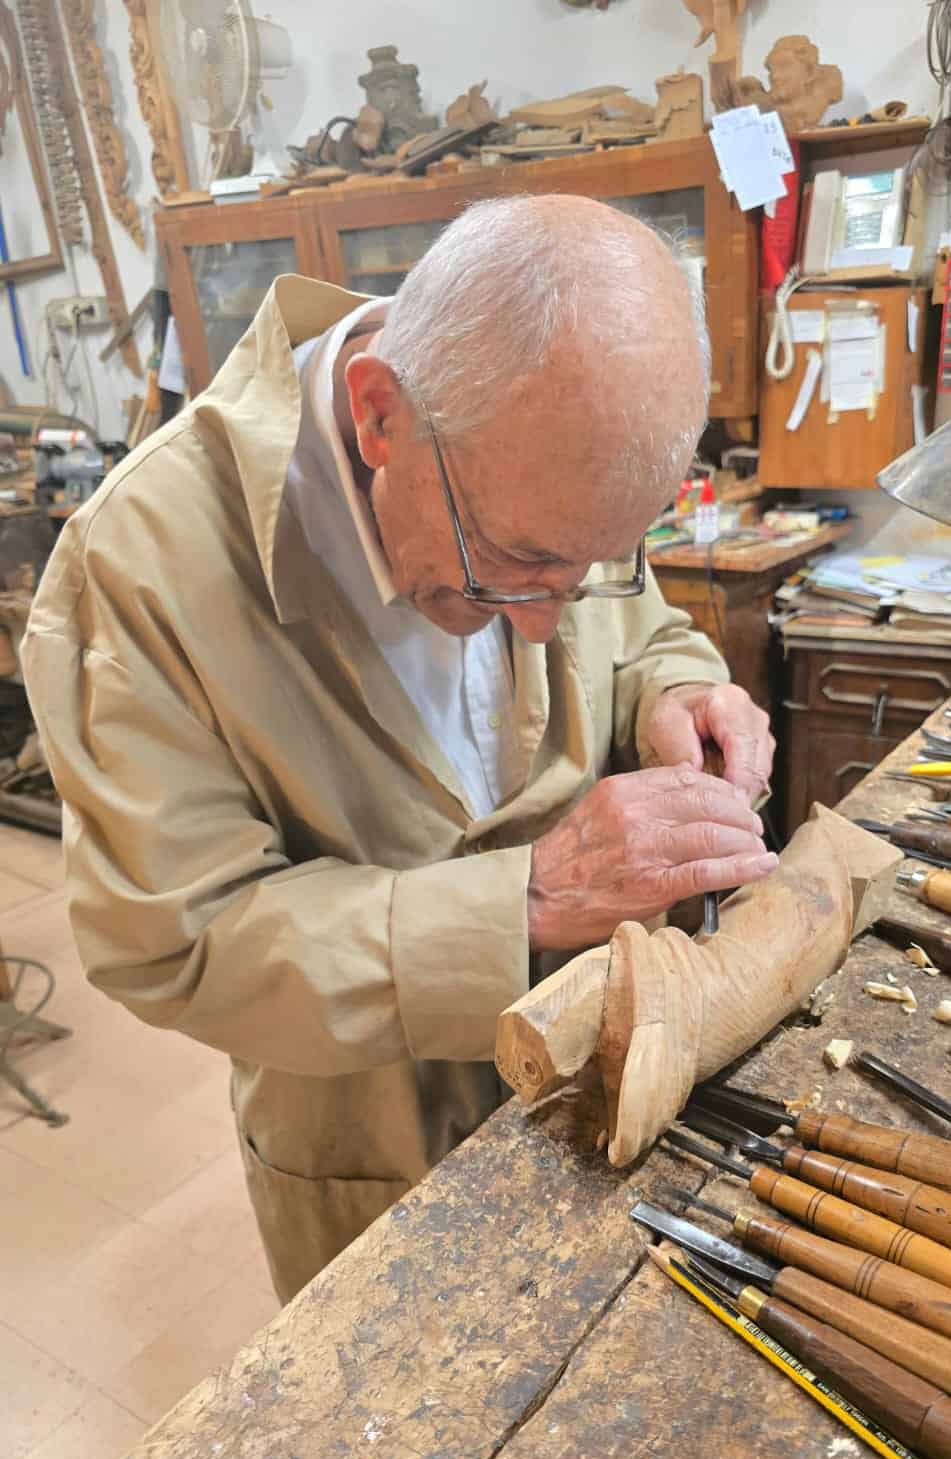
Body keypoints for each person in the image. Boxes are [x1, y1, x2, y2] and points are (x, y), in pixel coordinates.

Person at [22, 195, 776, 1300]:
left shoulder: (532, 452)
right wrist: (525, 901)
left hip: (608, 1076)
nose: (543, 623)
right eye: (517, 563)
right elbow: (174, 942)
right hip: (376, 1146)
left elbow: (635, 628)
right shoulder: (139, 563)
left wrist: (681, 688)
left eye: (588, 568)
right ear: (379, 417)